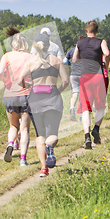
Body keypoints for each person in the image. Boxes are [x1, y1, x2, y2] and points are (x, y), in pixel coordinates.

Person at [19, 33, 68, 177]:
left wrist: (29, 86)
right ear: (49, 45)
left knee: (40, 135)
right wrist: (57, 91)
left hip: (35, 100)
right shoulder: (56, 61)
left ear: (35, 45)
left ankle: (43, 168)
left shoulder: (31, 62)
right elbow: (65, 81)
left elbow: (19, 80)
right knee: (53, 134)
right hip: (53, 99)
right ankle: (50, 146)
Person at [0, 26, 36, 166]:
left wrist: (6, 82)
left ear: (11, 44)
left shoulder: (7, 56)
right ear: (24, 44)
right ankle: (23, 159)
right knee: (24, 129)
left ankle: (11, 143)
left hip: (10, 94)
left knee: (13, 126)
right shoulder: (30, 57)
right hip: (26, 94)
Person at [72, 21, 110, 150]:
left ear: (86, 30)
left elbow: (74, 59)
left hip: (85, 77)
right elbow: (107, 53)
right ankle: (96, 128)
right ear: (97, 31)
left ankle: (87, 135)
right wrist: (106, 63)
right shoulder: (101, 41)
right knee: (100, 106)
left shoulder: (80, 43)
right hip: (98, 76)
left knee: (85, 108)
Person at [64, 35, 84, 121]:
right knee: (84, 95)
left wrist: (70, 64)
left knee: (75, 93)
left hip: (73, 74)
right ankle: (82, 114)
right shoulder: (85, 51)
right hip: (83, 74)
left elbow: (64, 61)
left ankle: (72, 107)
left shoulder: (72, 50)